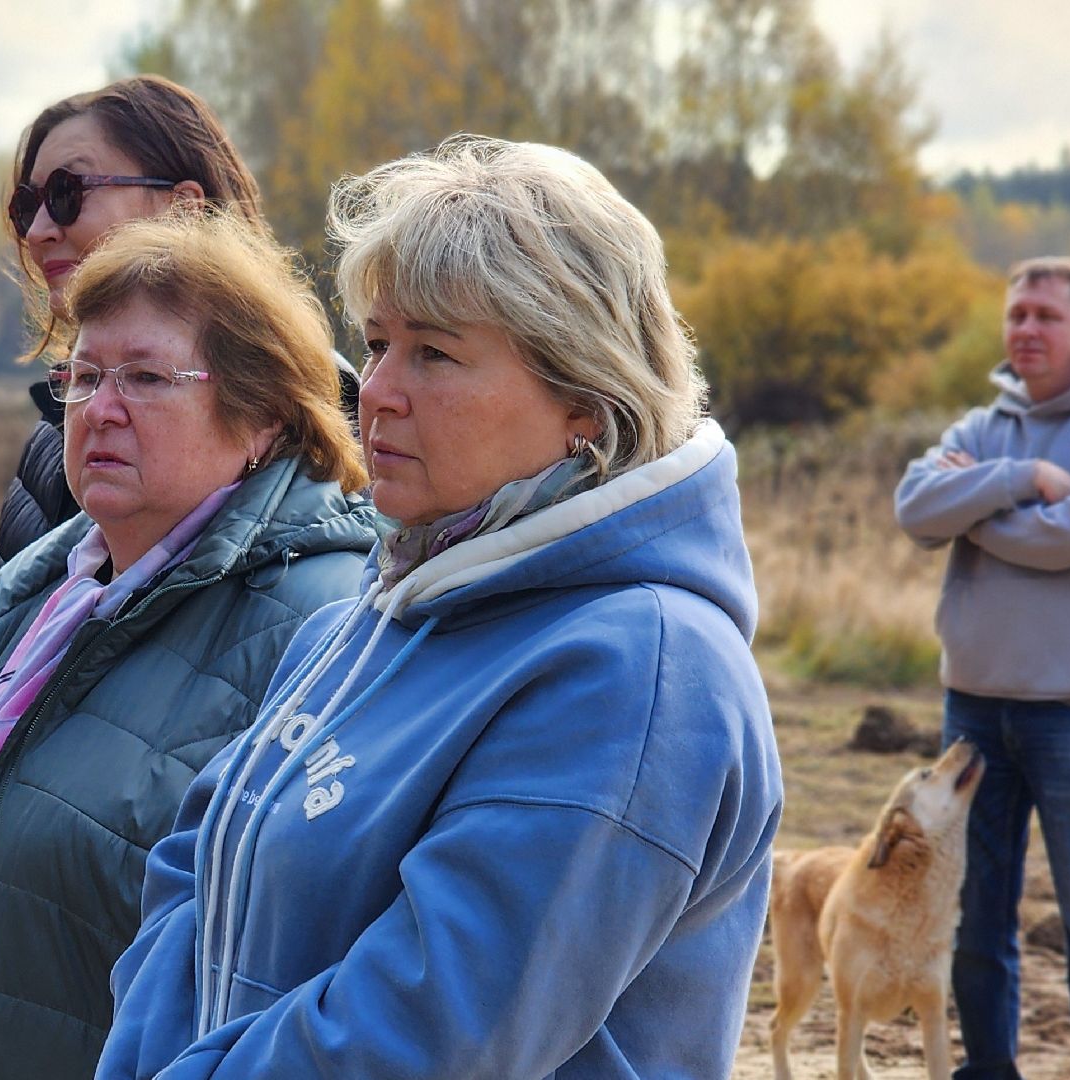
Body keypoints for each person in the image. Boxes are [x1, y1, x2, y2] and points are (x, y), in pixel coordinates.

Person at [98, 135, 783, 1079]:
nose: (376, 392)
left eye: (435, 353)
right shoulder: (359, 623)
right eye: (378, 343)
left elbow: (427, 1035)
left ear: (585, 399)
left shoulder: (641, 672)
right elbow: (192, 875)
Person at [0, 210, 378, 1080]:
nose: (100, 409)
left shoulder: (322, 623)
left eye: (147, 378)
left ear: (264, 417)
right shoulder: (39, 596)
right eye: (84, 376)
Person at [894, 255, 1070, 1078]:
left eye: (1046, 316)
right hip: (973, 709)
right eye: (1017, 313)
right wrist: (1022, 479)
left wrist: (974, 511)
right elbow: (914, 508)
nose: (1026, 329)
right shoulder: (986, 427)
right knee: (975, 920)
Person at [0, 74, 357, 584]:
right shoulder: (54, 441)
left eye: (68, 193)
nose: (37, 231)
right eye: (27, 206)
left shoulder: (327, 419)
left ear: (182, 208)